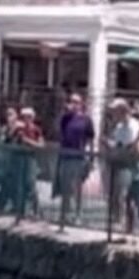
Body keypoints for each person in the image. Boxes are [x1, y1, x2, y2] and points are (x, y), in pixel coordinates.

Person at [54, 92, 95, 224]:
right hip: (66, 155)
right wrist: (64, 113)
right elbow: (58, 131)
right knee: (65, 186)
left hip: (79, 156)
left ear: (81, 104)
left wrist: (90, 157)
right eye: (71, 101)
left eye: (76, 102)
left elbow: (90, 139)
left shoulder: (86, 120)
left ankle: (77, 214)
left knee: (76, 187)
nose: (73, 104)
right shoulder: (65, 118)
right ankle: (65, 214)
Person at [106, 99, 139, 233]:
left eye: (116, 111)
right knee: (118, 196)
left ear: (123, 111)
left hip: (129, 165)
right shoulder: (119, 128)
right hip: (119, 164)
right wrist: (109, 145)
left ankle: (125, 223)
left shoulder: (134, 126)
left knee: (123, 195)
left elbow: (131, 146)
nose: (113, 114)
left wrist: (120, 148)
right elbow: (117, 144)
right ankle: (127, 224)